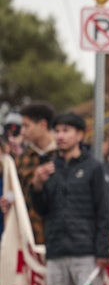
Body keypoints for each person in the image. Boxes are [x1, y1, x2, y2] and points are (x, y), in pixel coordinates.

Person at [29, 112, 109, 285]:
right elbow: (42, 210)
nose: (61, 135)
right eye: (58, 130)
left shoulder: (93, 167)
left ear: (79, 134)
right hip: (56, 249)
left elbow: (104, 212)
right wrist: (37, 185)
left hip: (86, 250)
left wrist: (101, 250)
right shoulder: (49, 167)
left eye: (67, 130)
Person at [15, 102, 57, 245]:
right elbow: (15, 193)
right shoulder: (22, 159)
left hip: (60, 239)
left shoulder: (63, 156)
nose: (22, 132)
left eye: (27, 126)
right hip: (29, 237)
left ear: (43, 125)